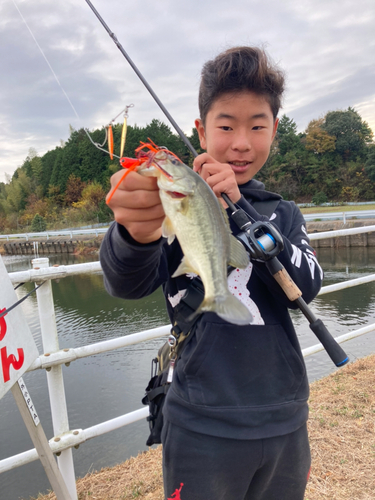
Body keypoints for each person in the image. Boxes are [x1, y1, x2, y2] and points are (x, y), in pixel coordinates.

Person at [99, 46, 323, 500]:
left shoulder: (283, 213)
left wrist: (241, 208)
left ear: (274, 131)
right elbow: (127, 282)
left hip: (285, 419)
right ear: (201, 131)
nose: (241, 142)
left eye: (257, 126)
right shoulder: (174, 207)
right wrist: (134, 231)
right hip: (200, 425)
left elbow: (310, 284)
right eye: (226, 126)